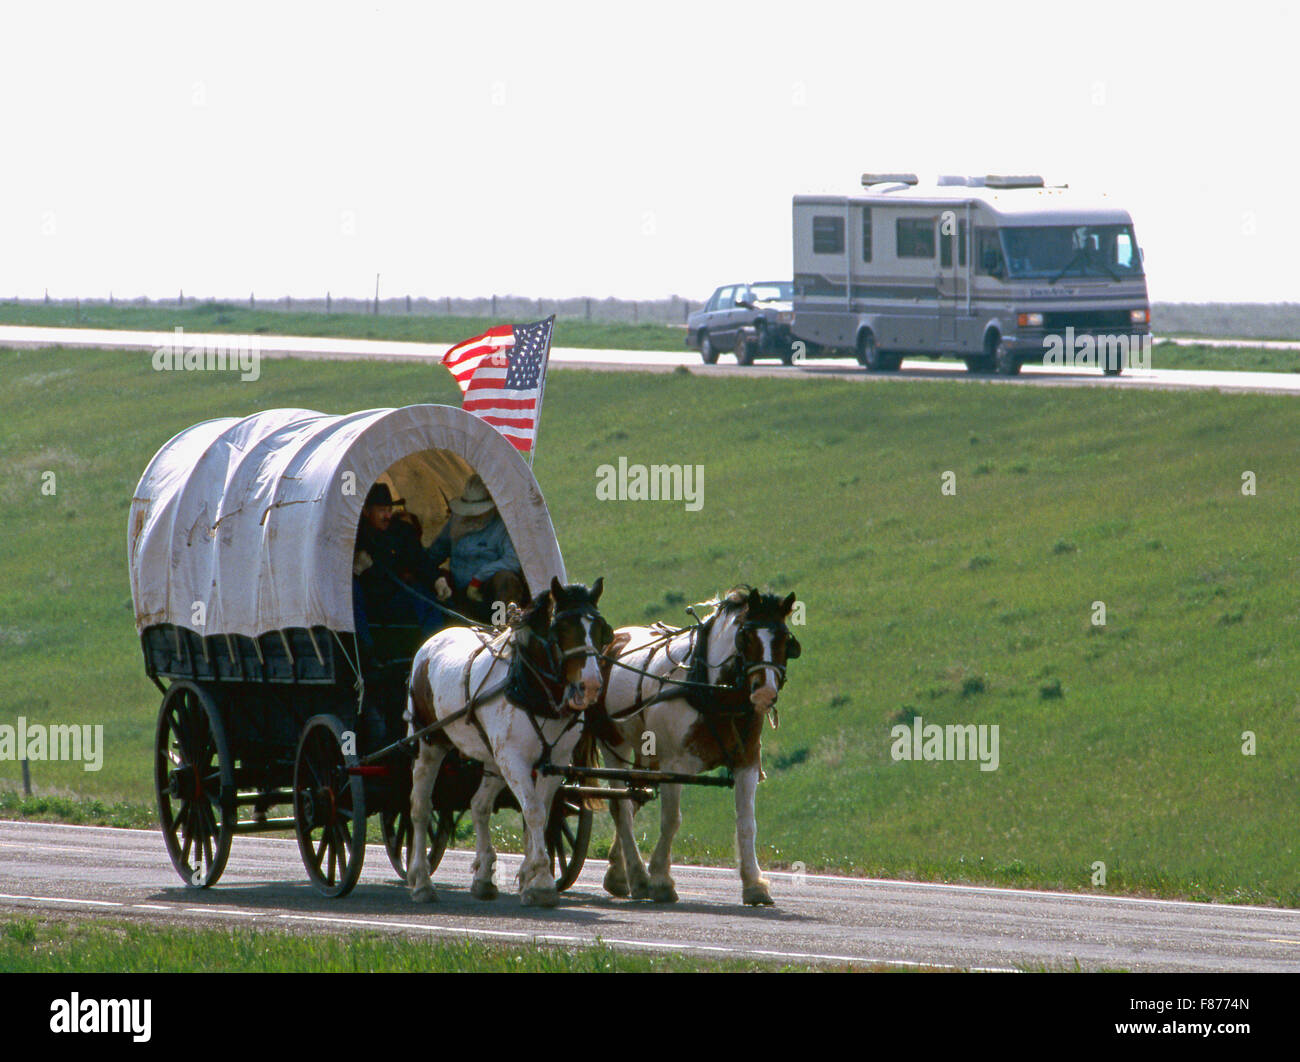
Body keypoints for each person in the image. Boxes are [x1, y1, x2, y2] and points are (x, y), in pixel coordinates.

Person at [352, 482, 444, 647]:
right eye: (381, 511)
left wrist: (437, 579)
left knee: (425, 597)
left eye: (389, 510)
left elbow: (419, 559)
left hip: (396, 595)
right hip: (369, 599)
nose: (387, 516)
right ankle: (368, 654)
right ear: (366, 511)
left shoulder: (401, 531)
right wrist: (355, 569)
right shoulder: (354, 535)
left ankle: (436, 649)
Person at [426, 474, 527, 623]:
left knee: (506, 579)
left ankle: (502, 626)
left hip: (489, 592)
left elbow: (513, 560)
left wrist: (479, 578)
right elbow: (436, 552)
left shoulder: (502, 526)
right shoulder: (456, 520)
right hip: (457, 590)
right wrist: (433, 576)